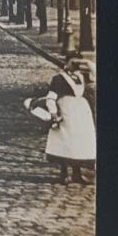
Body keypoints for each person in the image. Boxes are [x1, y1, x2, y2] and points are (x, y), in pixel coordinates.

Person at [36, 55, 96, 184]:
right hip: (65, 109)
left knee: (78, 141)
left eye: (77, 62)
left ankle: (77, 174)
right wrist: (53, 112)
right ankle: (63, 174)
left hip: (81, 112)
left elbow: (96, 74)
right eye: (72, 62)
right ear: (66, 63)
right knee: (64, 140)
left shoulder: (82, 76)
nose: (75, 65)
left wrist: (86, 62)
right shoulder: (58, 78)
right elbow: (51, 97)